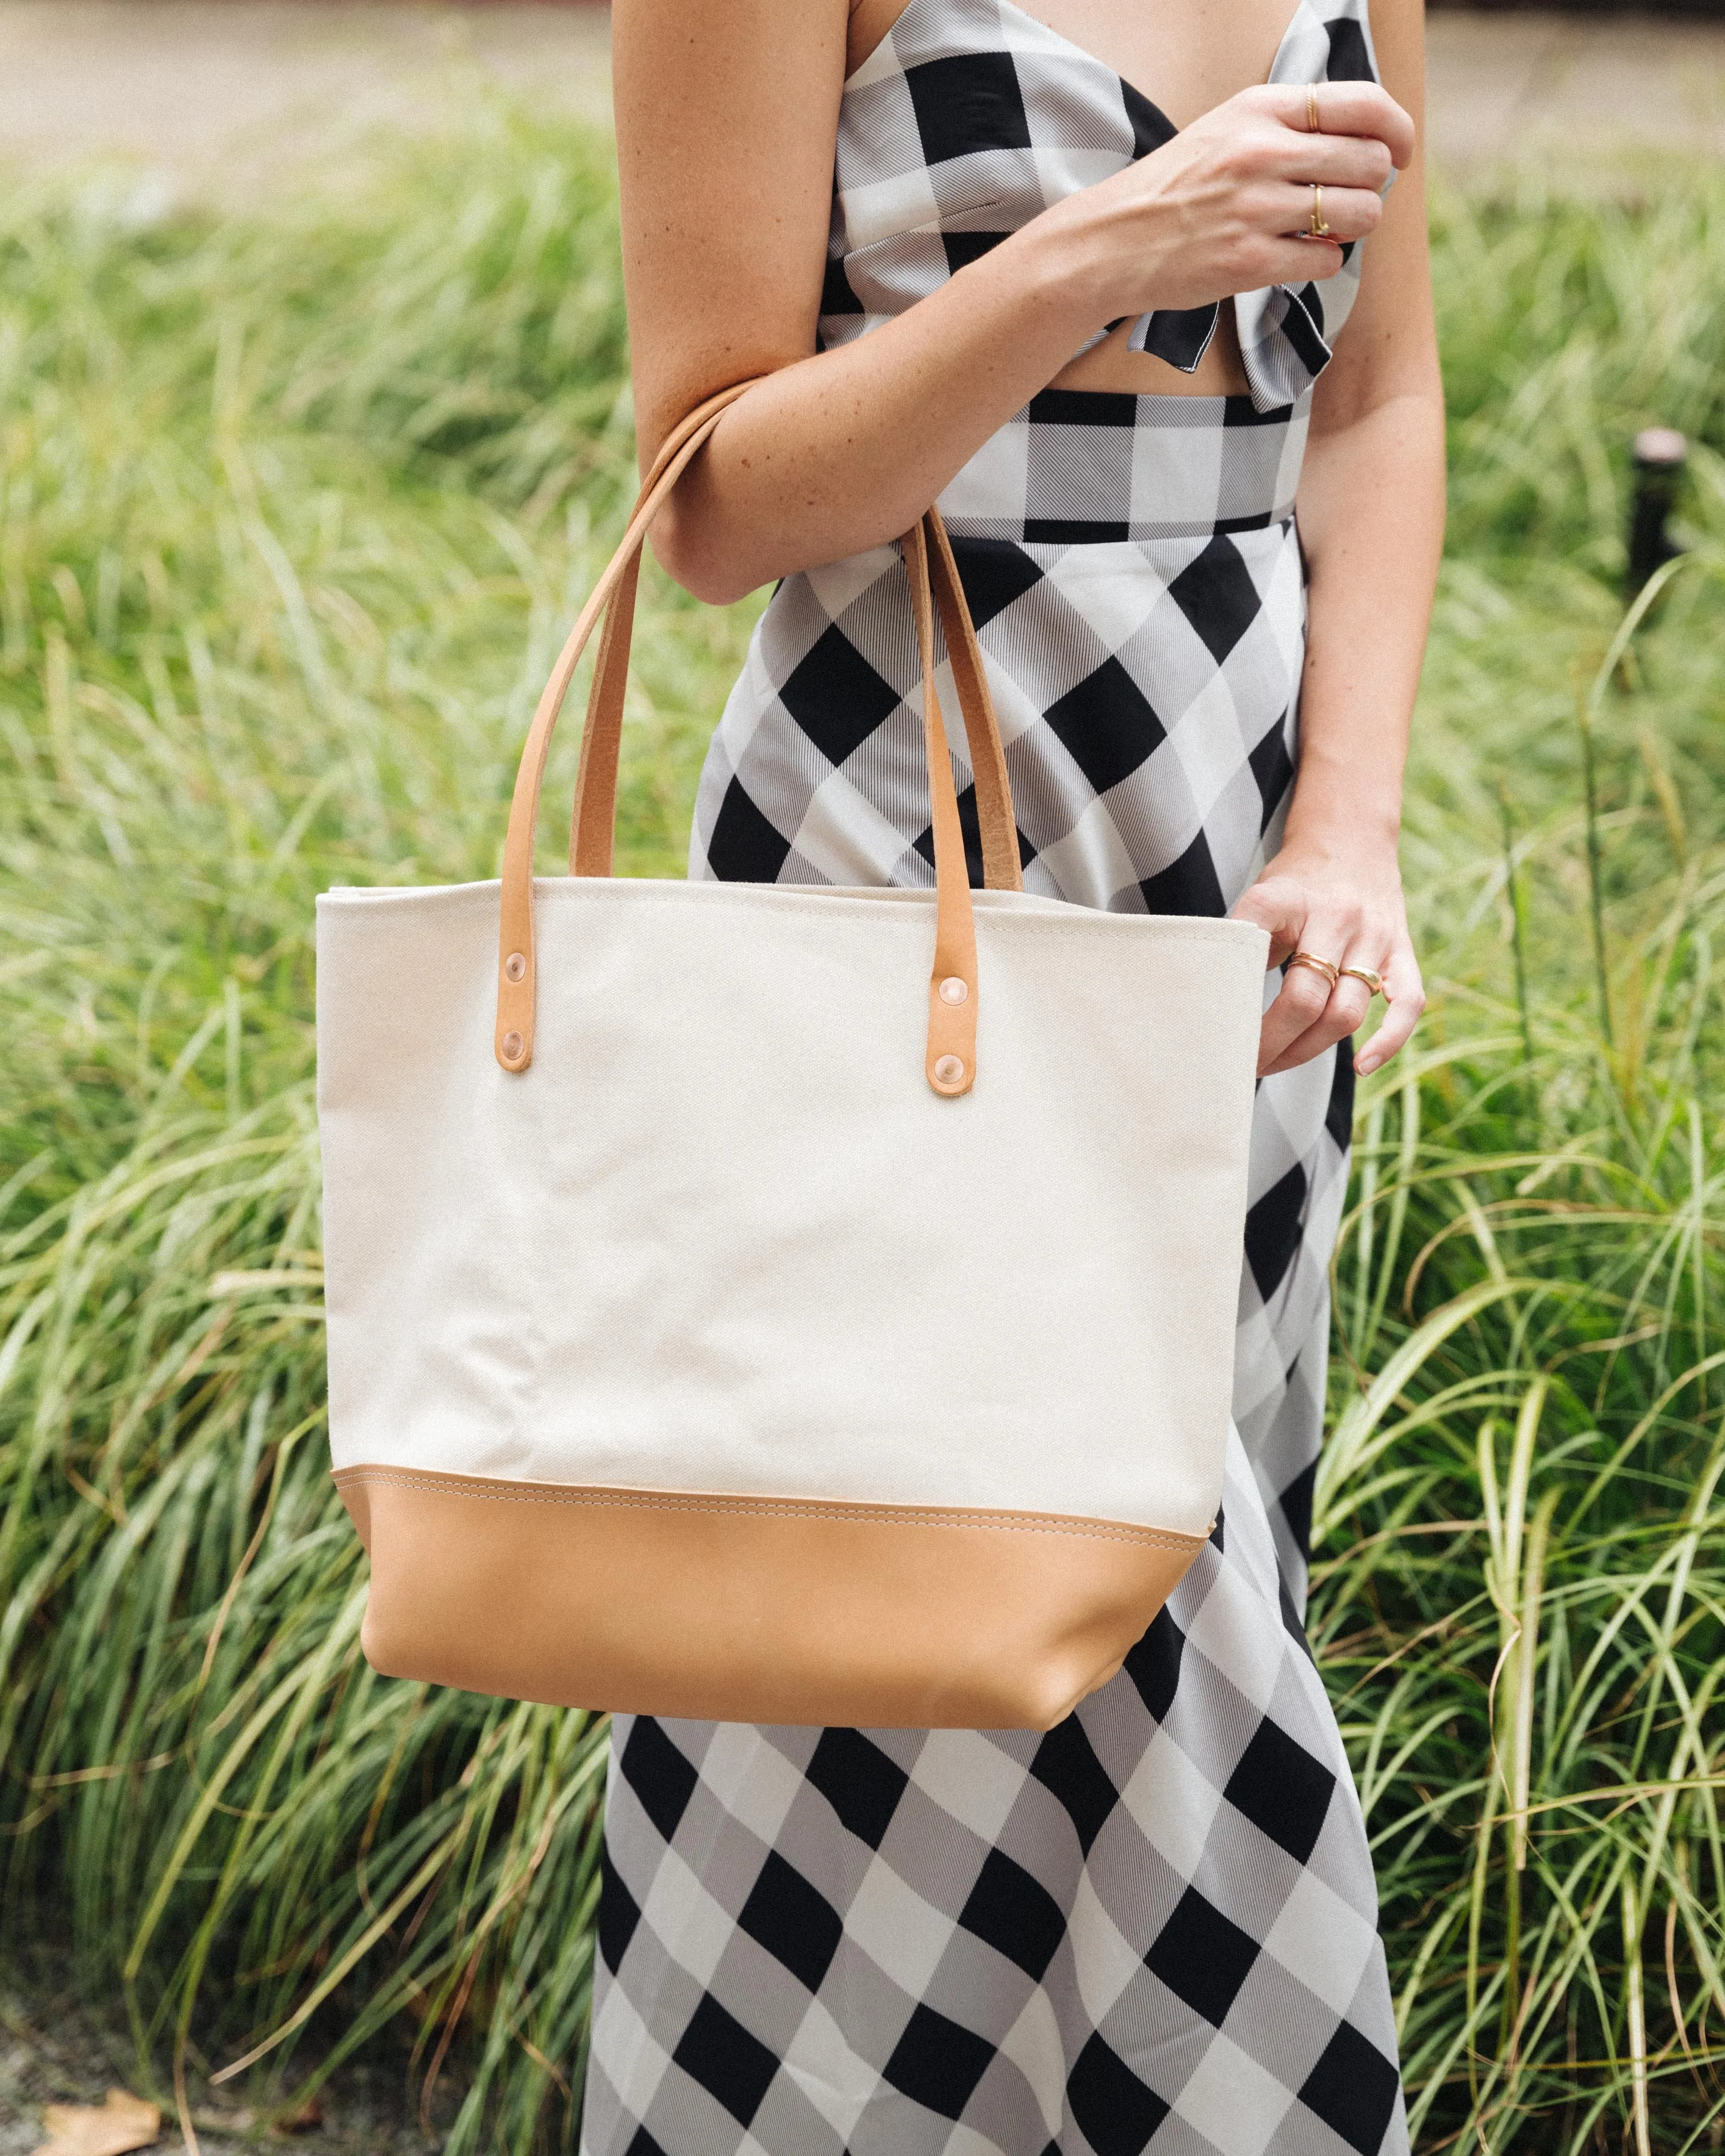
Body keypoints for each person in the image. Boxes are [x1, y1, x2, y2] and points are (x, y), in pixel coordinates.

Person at [584, 0, 1443, 2146]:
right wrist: (1093, 249)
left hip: (1223, 876)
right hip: (905, 833)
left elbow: (1377, 400)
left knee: (1148, 1573)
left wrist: (1344, 821)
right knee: (902, 1622)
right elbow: (705, 498)